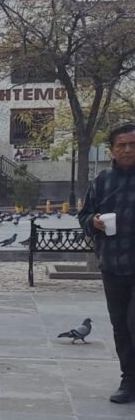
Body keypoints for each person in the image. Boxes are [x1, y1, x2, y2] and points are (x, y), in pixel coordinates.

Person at [78, 122, 135, 404]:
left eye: (132, 145)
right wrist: (94, 222)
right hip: (113, 264)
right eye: (121, 145)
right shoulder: (102, 181)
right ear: (111, 150)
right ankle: (129, 380)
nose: (127, 150)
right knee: (120, 325)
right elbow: (84, 216)